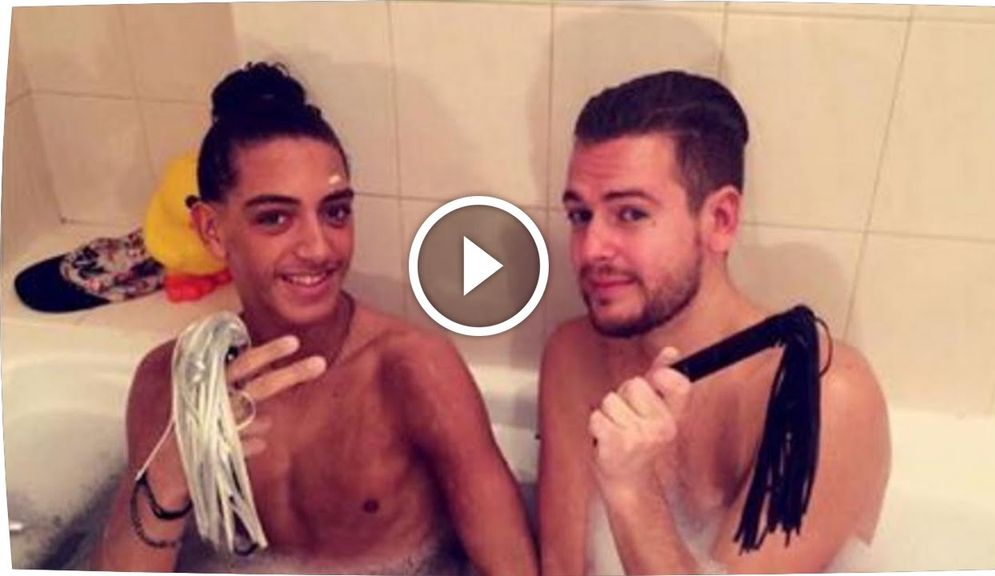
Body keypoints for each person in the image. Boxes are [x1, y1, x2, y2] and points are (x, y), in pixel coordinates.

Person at [92, 62, 537, 575]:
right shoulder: (168, 382)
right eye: (275, 218)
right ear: (212, 230)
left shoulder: (411, 370)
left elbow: (513, 567)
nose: (319, 247)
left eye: (335, 212)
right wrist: (171, 475)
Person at [537, 70, 891, 575]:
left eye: (630, 214)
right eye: (580, 216)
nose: (590, 249)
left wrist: (632, 489)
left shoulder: (824, 394)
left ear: (720, 221)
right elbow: (561, 568)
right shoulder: (575, 353)